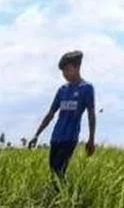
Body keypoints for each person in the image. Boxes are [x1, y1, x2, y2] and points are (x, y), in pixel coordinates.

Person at [27, 50, 96, 180]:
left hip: (70, 138)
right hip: (56, 137)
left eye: (67, 70)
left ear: (77, 67)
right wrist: (36, 135)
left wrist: (91, 139)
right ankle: (63, 192)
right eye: (63, 71)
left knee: (58, 171)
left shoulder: (86, 88)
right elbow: (50, 114)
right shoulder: (62, 90)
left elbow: (91, 114)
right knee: (54, 173)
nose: (64, 74)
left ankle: (67, 193)